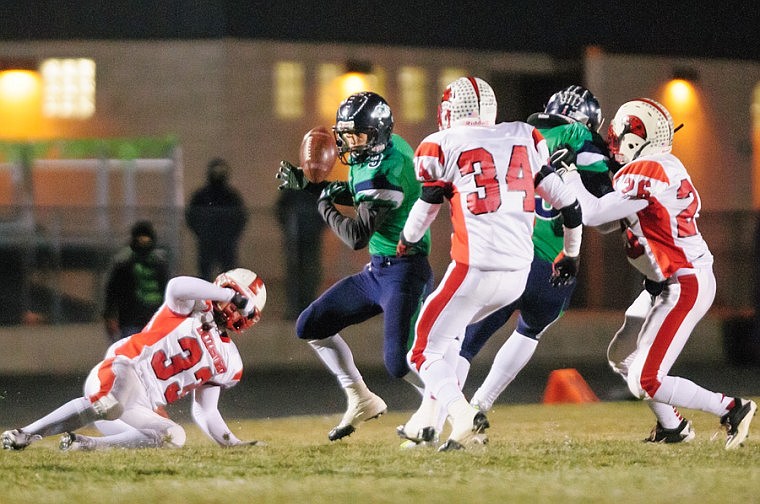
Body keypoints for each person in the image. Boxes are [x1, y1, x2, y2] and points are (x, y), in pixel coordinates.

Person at [396, 76, 583, 451]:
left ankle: (461, 415)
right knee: (449, 338)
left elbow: (426, 208)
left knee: (421, 351)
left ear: (451, 111)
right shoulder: (523, 137)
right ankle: (425, 426)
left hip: (474, 270)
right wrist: (572, 254)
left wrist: (407, 241)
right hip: (518, 273)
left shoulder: (442, 144)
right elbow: (570, 205)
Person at [562, 97, 756, 449]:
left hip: (683, 281)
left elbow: (591, 215)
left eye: (619, 137)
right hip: (664, 282)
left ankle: (732, 408)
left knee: (645, 380)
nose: (614, 144)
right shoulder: (659, 166)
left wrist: (568, 175)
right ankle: (672, 427)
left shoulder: (646, 169)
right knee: (622, 356)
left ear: (638, 137)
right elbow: (608, 222)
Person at [276, 91, 434, 441]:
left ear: (376, 133)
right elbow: (354, 189)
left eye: (357, 136)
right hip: (379, 272)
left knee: (399, 362)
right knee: (311, 325)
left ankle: (452, 409)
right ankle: (360, 398)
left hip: (406, 272)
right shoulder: (382, 153)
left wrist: (322, 205)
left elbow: (356, 235)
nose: (349, 143)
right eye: (346, 135)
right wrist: (311, 183)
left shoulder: (385, 174)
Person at [456, 85, 619, 413]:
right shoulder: (580, 137)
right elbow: (604, 215)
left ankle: (442, 413)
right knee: (529, 331)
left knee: (466, 339)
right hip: (554, 266)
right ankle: (480, 405)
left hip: (507, 254)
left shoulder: (519, 135)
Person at [2, 268, 267, 451]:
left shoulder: (230, 360)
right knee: (111, 404)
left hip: (137, 407)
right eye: (234, 297)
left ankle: (86, 445)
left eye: (242, 305)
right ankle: (25, 434)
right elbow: (177, 285)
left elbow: (206, 410)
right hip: (124, 369)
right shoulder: (193, 306)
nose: (234, 307)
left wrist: (231, 443)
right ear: (222, 288)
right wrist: (230, 296)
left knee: (174, 435)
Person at [103, 220, 170, 342]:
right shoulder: (124, 263)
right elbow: (112, 292)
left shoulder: (159, 263)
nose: (144, 243)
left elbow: (167, 291)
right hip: (131, 320)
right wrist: (110, 316)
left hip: (154, 320)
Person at [186, 158, 248, 280]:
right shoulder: (201, 196)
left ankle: (228, 299)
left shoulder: (231, 196)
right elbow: (191, 216)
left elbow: (241, 217)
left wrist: (231, 235)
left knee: (229, 277)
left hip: (227, 244)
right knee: (205, 277)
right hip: (206, 242)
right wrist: (202, 233)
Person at [275, 188, 326, 320]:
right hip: (294, 238)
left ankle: (308, 307)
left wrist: (317, 228)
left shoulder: (317, 188)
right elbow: (280, 210)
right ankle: (295, 308)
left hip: (311, 237)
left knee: (310, 272)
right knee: (295, 273)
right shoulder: (292, 190)